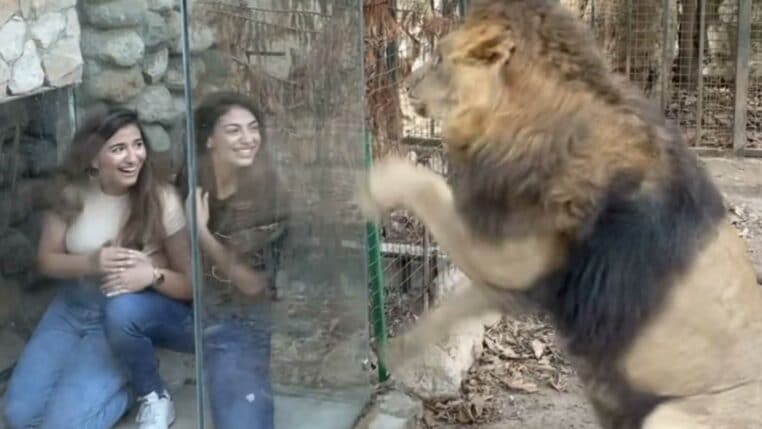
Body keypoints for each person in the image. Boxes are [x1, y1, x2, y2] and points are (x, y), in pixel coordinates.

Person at [2, 107, 193, 429]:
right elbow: (46, 260)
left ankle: (137, 384)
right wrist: (90, 262)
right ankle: (109, 382)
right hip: (70, 308)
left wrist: (151, 275)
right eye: (118, 149)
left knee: (62, 425)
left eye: (137, 145)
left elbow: (190, 285)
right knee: (18, 415)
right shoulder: (72, 193)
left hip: (116, 318)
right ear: (93, 159)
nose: (133, 157)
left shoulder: (160, 199)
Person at [177, 90, 290, 429]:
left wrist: (202, 235)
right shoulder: (188, 178)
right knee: (129, 314)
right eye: (234, 130)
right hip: (187, 310)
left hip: (237, 322)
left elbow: (253, 284)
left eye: (253, 128)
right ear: (209, 139)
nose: (248, 139)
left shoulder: (270, 195)